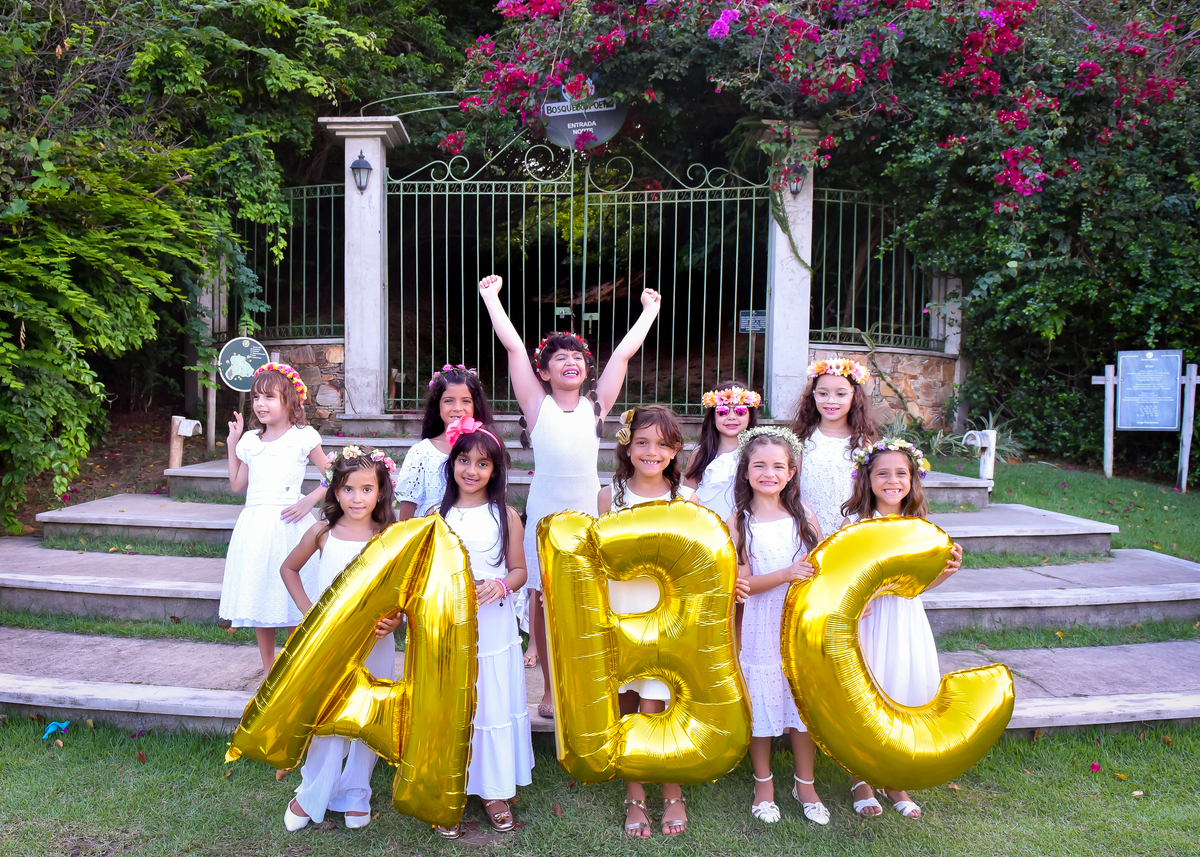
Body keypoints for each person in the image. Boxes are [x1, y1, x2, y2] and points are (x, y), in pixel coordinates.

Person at [479, 273, 661, 719]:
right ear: (544, 372)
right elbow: (514, 349)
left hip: (588, 512)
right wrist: (492, 298)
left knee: (589, 599)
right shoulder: (536, 405)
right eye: (559, 357)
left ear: (586, 369)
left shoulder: (596, 407)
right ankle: (548, 688)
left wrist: (649, 311)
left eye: (577, 356)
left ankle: (589, 684)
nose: (570, 361)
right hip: (545, 514)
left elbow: (623, 353)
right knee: (543, 601)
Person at [278, 445, 403, 831]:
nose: (357, 498)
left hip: (375, 643)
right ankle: (313, 791)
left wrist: (396, 619)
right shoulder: (322, 532)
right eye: (348, 489)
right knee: (328, 716)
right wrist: (309, 611)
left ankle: (356, 791)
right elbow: (288, 569)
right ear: (335, 491)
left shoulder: (390, 537)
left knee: (367, 714)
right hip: (330, 642)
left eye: (366, 489)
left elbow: (403, 589)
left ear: (380, 492)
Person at [839, 438, 963, 820]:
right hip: (869, 622)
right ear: (867, 479)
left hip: (905, 620)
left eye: (900, 473)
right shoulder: (854, 526)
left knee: (901, 691)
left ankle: (894, 780)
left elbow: (916, 586)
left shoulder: (920, 528)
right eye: (883, 474)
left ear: (913, 479)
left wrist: (946, 572)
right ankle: (861, 778)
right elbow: (842, 578)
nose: (892, 481)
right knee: (868, 695)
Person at [433, 416, 533, 838]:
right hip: (449, 625)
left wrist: (500, 584)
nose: (471, 470)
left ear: (495, 471)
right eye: (464, 460)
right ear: (452, 463)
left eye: (482, 464)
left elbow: (519, 571)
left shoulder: (505, 515)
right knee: (454, 705)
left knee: (490, 701)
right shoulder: (436, 517)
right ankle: (451, 790)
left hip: (492, 625)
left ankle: (494, 791)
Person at [597, 405, 691, 837]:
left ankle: (671, 787)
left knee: (661, 700)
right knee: (626, 699)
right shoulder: (610, 496)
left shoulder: (686, 499)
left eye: (662, 444)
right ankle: (634, 791)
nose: (651, 452)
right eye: (642, 442)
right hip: (623, 608)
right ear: (627, 445)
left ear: (674, 450)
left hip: (666, 613)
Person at [728, 427, 829, 827]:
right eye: (759, 466)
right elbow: (742, 586)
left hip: (799, 623)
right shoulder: (739, 522)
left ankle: (806, 785)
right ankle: (764, 784)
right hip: (761, 623)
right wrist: (786, 574)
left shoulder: (804, 514)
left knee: (801, 705)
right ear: (746, 471)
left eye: (777, 466)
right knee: (762, 703)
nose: (768, 473)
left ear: (791, 472)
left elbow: (824, 568)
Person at [219, 363, 328, 675]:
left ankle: (292, 669)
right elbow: (237, 484)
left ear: (290, 400)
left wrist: (309, 500)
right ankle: (269, 670)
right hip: (256, 525)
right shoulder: (250, 441)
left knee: (294, 597)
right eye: (256, 397)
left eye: (269, 397)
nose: (260, 404)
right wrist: (232, 443)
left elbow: (334, 475)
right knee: (260, 592)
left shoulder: (303, 437)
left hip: (290, 524)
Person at [789, 358, 878, 540]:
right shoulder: (802, 439)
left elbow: (868, 490)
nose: (831, 400)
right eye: (823, 393)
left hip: (849, 530)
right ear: (813, 395)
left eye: (841, 394)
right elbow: (792, 487)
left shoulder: (863, 443)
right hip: (806, 527)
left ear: (854, 396)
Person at [395, 364, 494, 520]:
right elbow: (407, 510)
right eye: (449, 401)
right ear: (437, 406)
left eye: (466, 401)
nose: (457, 408)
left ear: (476, 405)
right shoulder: (422, 452)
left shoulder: (489, 447)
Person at [683, 382, 760, 522]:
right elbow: (687, 499)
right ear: (713, 418)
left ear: (750, 417)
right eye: (723, 411)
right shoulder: (699, 455)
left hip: (748, 526)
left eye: (740, 410)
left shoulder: (759, 454)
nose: (731, 417)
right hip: (708, 527)